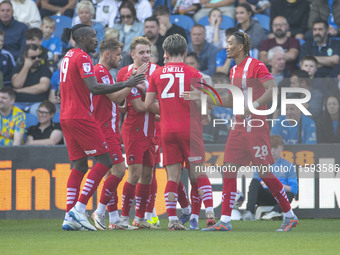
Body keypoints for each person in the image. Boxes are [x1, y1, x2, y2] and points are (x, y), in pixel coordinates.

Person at [183, 31, 299, 232]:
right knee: (228, 170)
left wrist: (254, 104)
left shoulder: (256, 65)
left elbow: (273, 90)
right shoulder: (234, 70)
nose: (226, 46)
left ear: (241, 46)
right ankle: (225, 221)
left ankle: (289, 215)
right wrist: (203, 97)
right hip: (237, 128)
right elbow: (230, 100)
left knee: (265, 173)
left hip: (256, 128)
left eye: (230, 43)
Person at [59, 24, 145, 231]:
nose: (96, 40)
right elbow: (95, 88)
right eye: (92, 36)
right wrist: (129, 82)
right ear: (82, 38)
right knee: (106, 161)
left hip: (66, 115)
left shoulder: (68, 56)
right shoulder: (82, 57)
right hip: (82, 117)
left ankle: (70, 214)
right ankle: (80, 210)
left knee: (79, 165)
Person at [145, 34, 216, 231]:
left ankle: (173, 220)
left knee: (172, 178)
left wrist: (166, 112)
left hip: (167, 131)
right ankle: (209, 213)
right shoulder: (194, 73)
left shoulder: (156, 74)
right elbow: (211, 101)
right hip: (190, 130)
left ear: (165, 53)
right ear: (185, 52)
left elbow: (148, 104)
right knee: (198, 172)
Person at [90, 38, 143, 230]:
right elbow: (117, 96)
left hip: (109, 127)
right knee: (120, 170)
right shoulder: (100, 72)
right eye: (118, 54)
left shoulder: (106, 73)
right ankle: (100, 211)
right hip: (104, 129)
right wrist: (132, 83)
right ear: (107, 55)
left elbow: (114, 102)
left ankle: (114, 219)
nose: (121, 58)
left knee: (110, 174)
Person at [116, 37, 159, 229]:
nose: (146, 56)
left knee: (148, 176)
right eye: (141, 52)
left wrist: (147, 89)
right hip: (133, 129)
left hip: (153, 130)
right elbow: (138, 107)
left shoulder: (157, 71)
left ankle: (139, 219)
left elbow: (161, 104)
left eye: (148, 52)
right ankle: (123, 218)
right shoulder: (126, 74)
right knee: (134, 174)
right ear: (132, 54)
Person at [243, 135, 298, 221]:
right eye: (270, 148)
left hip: (280, 197)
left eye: (275, 147)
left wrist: (275, 185)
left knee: (289, 194)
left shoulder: (288, 166)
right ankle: (249, 212)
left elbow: (294, 189)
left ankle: (275, 212)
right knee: (254, 182)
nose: (272, 151)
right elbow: (256, 184)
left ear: (281, 148)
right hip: (264, 196)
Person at [11, 44, 51, 114]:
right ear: (25, 57)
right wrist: (26, 67)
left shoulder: (44, 69)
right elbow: (17, 84)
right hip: (18, 103)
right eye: (33, 57)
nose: (37, 59)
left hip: (37, 103)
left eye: (39, 56)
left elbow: (43, 87)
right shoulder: (18, 69)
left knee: (37, 110)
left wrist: (19, 91)